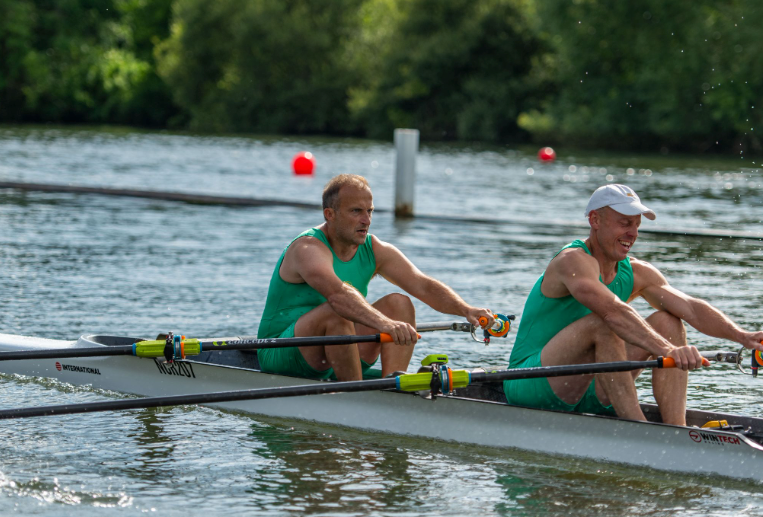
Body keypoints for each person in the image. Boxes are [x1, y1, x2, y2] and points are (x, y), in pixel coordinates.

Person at [503, 184, 763, 425]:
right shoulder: (572, 262)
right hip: (530, 383)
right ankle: (640, 429)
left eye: (637, 225)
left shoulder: (638, 272)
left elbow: (692, 308)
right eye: (624, 223)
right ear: (595, 220)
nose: (633, 233)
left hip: (595, 386)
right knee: (603, 324)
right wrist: (668, 350)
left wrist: (743, 336)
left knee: (667, 320)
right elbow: (613, 311)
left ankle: (677, 432)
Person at [257, 174, 494, 381]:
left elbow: (422, 285)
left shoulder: (374, 249)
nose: (366, 220)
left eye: (369, 211)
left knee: (398, 303)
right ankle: (354, 400)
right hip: (283, 352)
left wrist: (466, 310)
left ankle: (393, 385)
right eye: (356, 211)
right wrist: (386, 325)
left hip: (339, 350)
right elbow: (339, 295)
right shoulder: (307, 249)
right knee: (336, 313)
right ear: (330, 214)